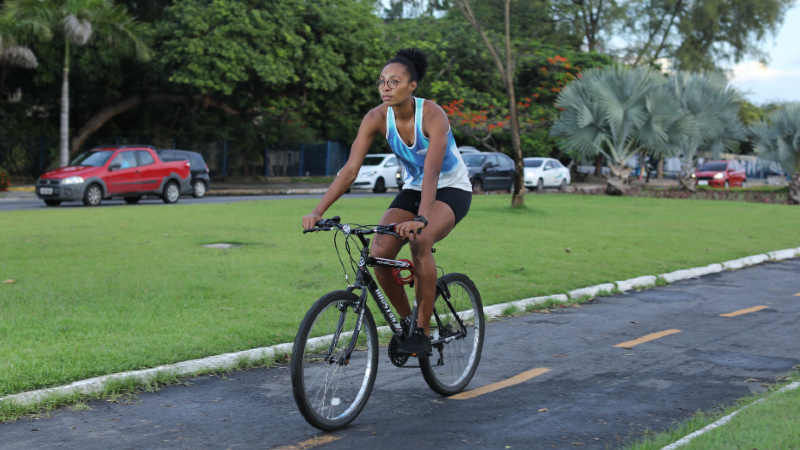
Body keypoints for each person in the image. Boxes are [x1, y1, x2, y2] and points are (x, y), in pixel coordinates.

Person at [302, 48, 472, 357]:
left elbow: (432, 171)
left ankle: (422, 331)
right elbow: (350, 170)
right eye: (382, 81)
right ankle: (407, 324)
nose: (386, 88)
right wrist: (318, 210)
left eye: (394, 81)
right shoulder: (376, 118)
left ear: (412, 86)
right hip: (414, 188)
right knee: (378, 253)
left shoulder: (432, 115)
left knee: (420, 241)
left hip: (451, 188)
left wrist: (421, 219)